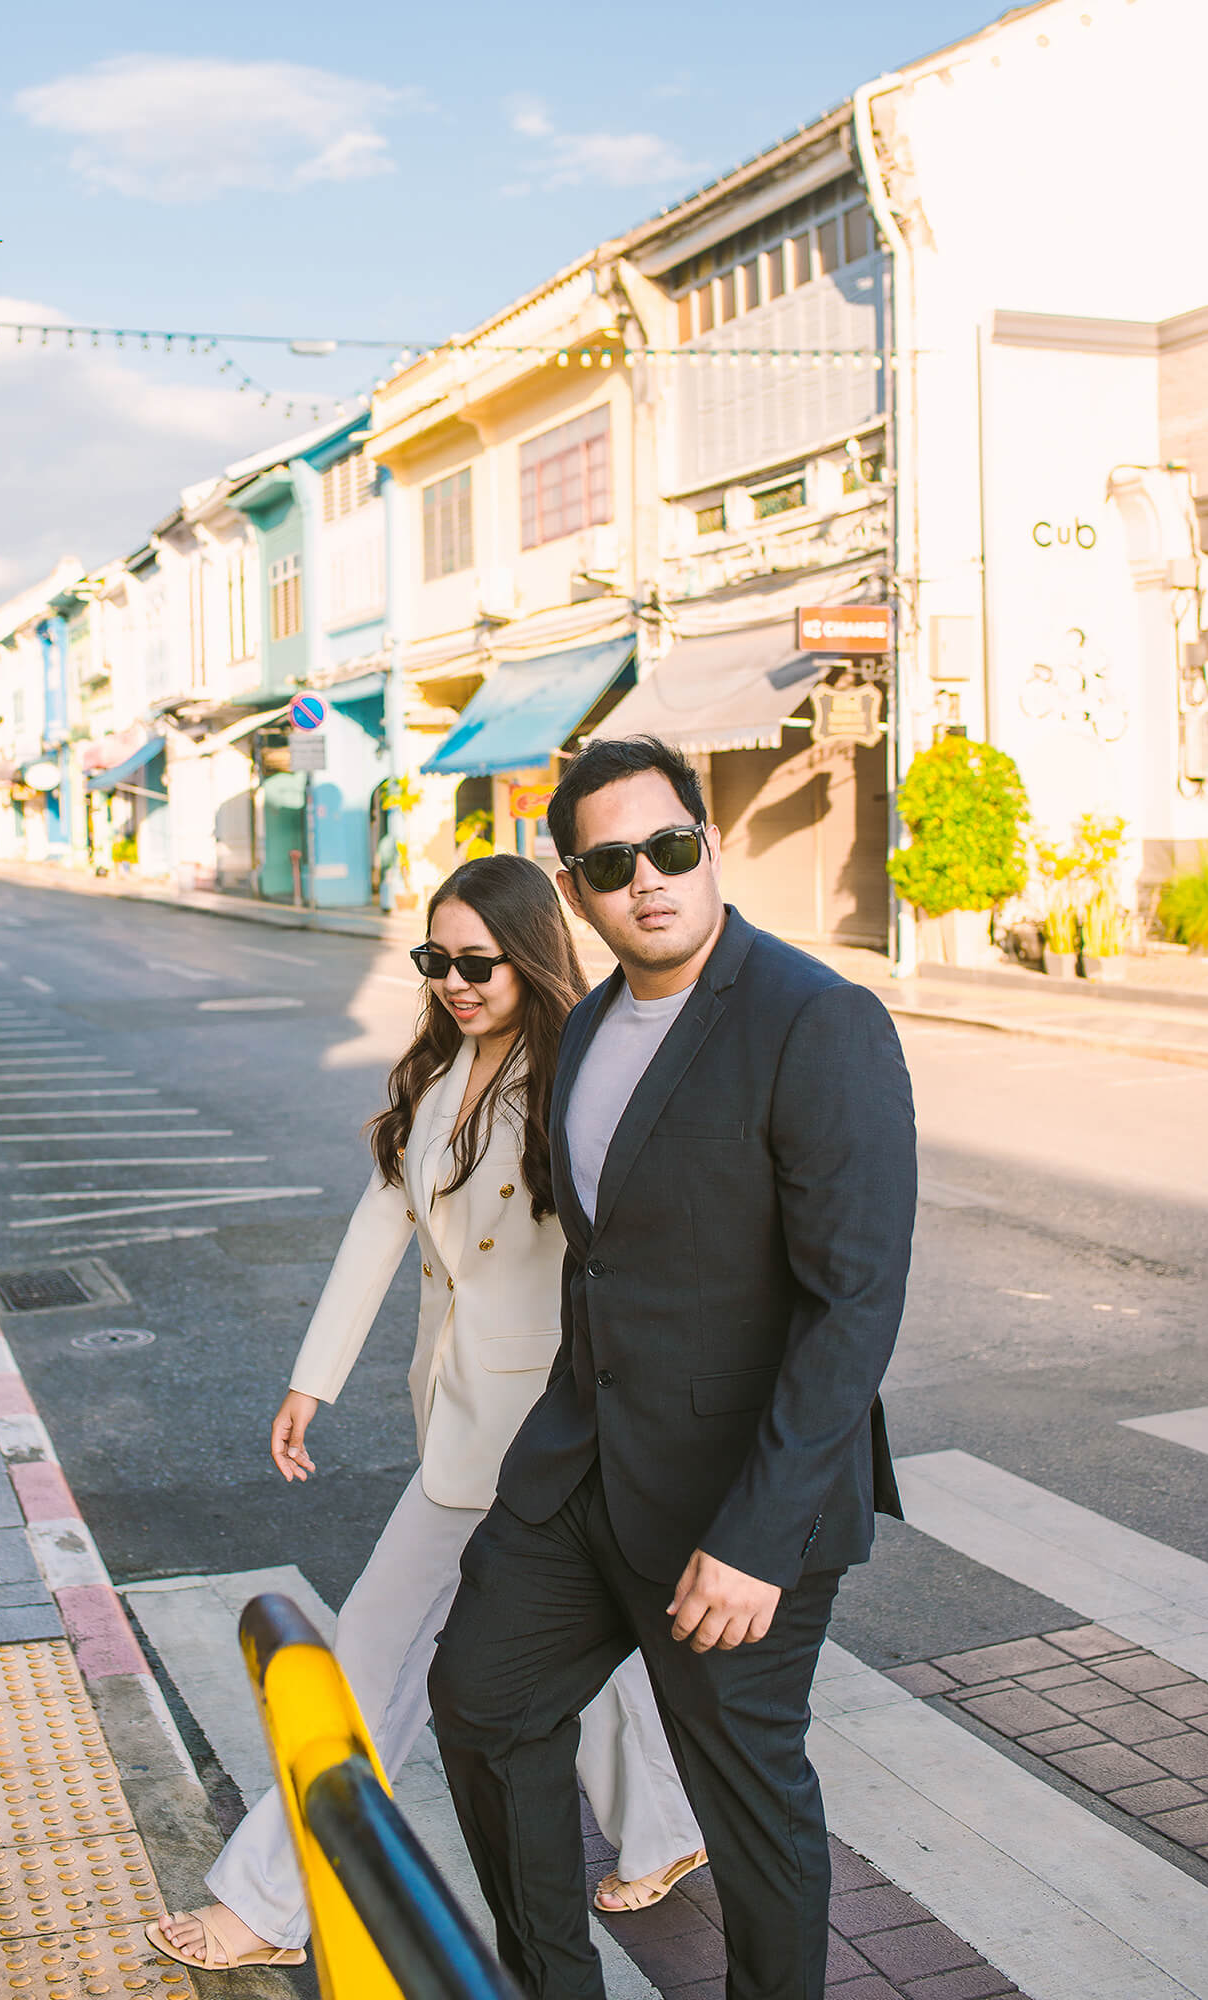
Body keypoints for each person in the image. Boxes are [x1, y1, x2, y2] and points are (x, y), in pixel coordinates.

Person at [147, 853, 704, 1974]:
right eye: (434, 960)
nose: (452, 981)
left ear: (530, 953)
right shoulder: (441, 1069)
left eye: (476, 962)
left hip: (540, 1432)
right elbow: (379, 1220)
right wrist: (314, 1378)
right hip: (461, 1411)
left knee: (370, 1654)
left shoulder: (577, 1075)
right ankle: (665, 1826)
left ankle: (270, 1898)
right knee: (568, 1650)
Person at [427, 738, 918, 2000]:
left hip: (733, 1498)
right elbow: (600, 1262)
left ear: (709, 845)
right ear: (575, 887)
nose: (645, 880)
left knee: (745, 1799)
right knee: (480, 1703)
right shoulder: (588, 1026)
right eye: (608, 862)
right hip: (582, 1471)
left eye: (668, 848)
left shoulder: (816, 1019)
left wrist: (758, 1535)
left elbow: (850, 1302)